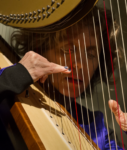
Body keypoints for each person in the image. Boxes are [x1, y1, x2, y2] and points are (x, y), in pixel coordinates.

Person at [11, 6, 127, 149]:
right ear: (40, 50)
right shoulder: (6, 99)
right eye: (67, 50)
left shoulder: (98, 129)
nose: (80, 65)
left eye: (91, 55)